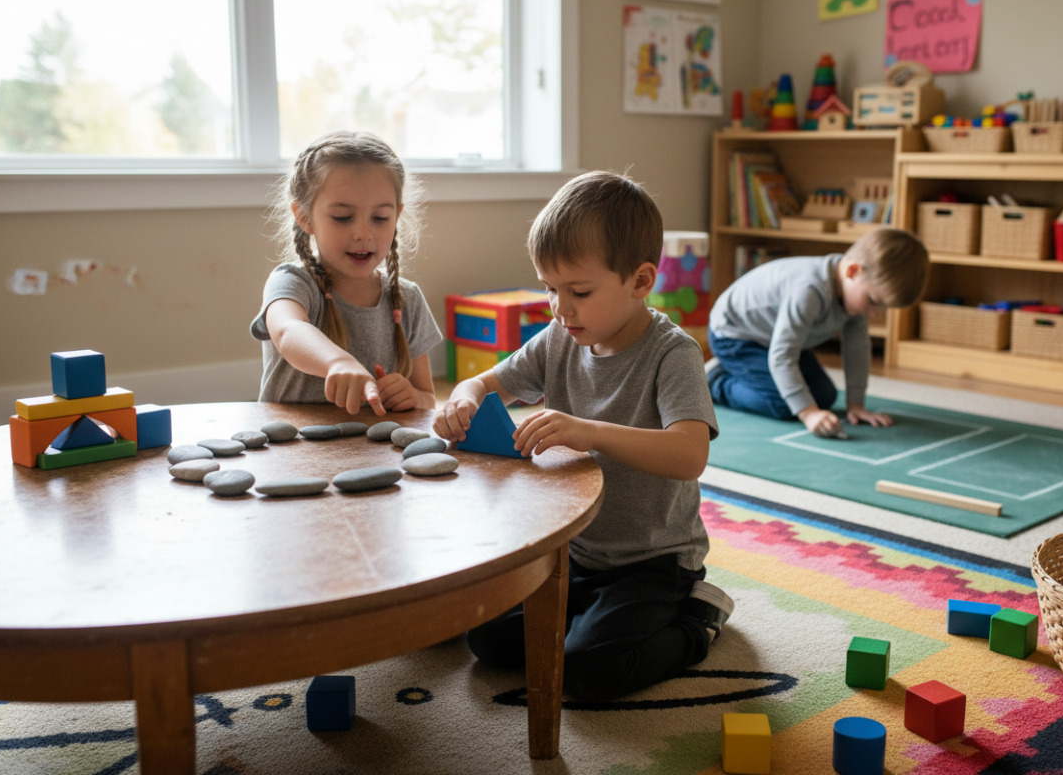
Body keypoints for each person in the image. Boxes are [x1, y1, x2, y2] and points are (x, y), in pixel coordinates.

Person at [433, 170, 730, 702]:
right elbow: (482, 381)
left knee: (591, 671)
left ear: (640, 282)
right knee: (488, 640)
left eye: (579, 291)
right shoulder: (559, 338)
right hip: (577, 552)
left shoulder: (674, 353)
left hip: (654, 562)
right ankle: (592, 622)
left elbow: (690, 455)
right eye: (550, 288)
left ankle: (698, 621)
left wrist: (588, 432)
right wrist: (463, 399)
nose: (559, 307)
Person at [251, 131, 442, 414]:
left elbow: (428, 397)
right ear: (304, 217)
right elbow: (288, 331)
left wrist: (413, 397)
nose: (363, 234)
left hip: (372, 451)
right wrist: (337, 362)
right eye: (342, 217)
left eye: (380, 218)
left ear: (397, 216)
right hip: (292, 452)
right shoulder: (292, 282)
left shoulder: (408, 299)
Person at [705, 228, 928, 438]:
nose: (875, 314)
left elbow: (857, 351)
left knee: (825, 396)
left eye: (883, 308)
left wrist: (856, 404)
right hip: (735, 337)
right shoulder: (809, 291)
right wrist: (808, 414)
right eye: (873, 302)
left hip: (776, 339)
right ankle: (716, 382)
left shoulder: (857, 296)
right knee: (785, 405)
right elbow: (782, 356)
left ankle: (744, 373)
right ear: (852, 271)